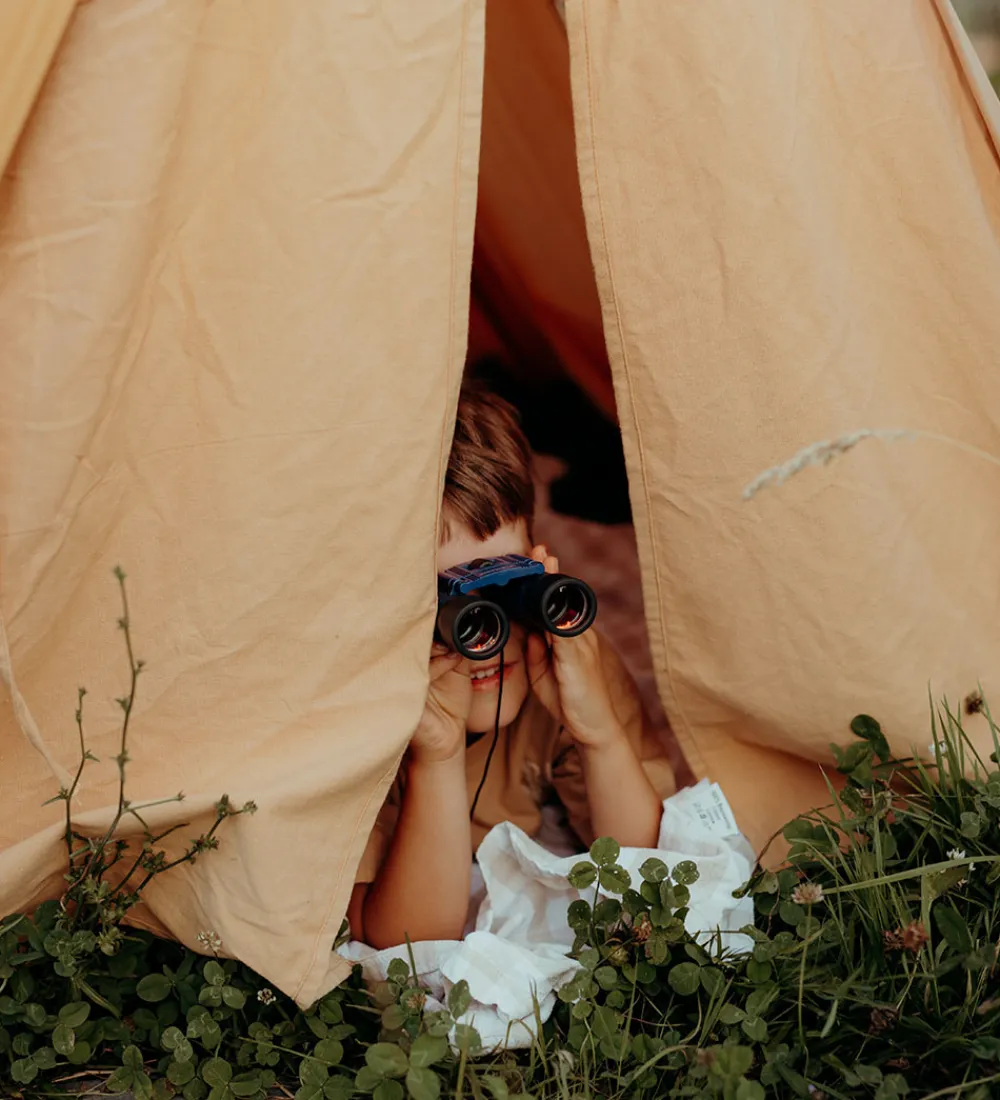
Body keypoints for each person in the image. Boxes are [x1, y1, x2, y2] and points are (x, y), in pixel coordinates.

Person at [348, 383, 675, 948]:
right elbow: (408, 943)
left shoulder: (567, 663)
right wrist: (437, 756)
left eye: (507, 587)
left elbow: (647, 877)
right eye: (452, 613)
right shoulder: (359, 720)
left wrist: (597, 733)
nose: (488, 638)